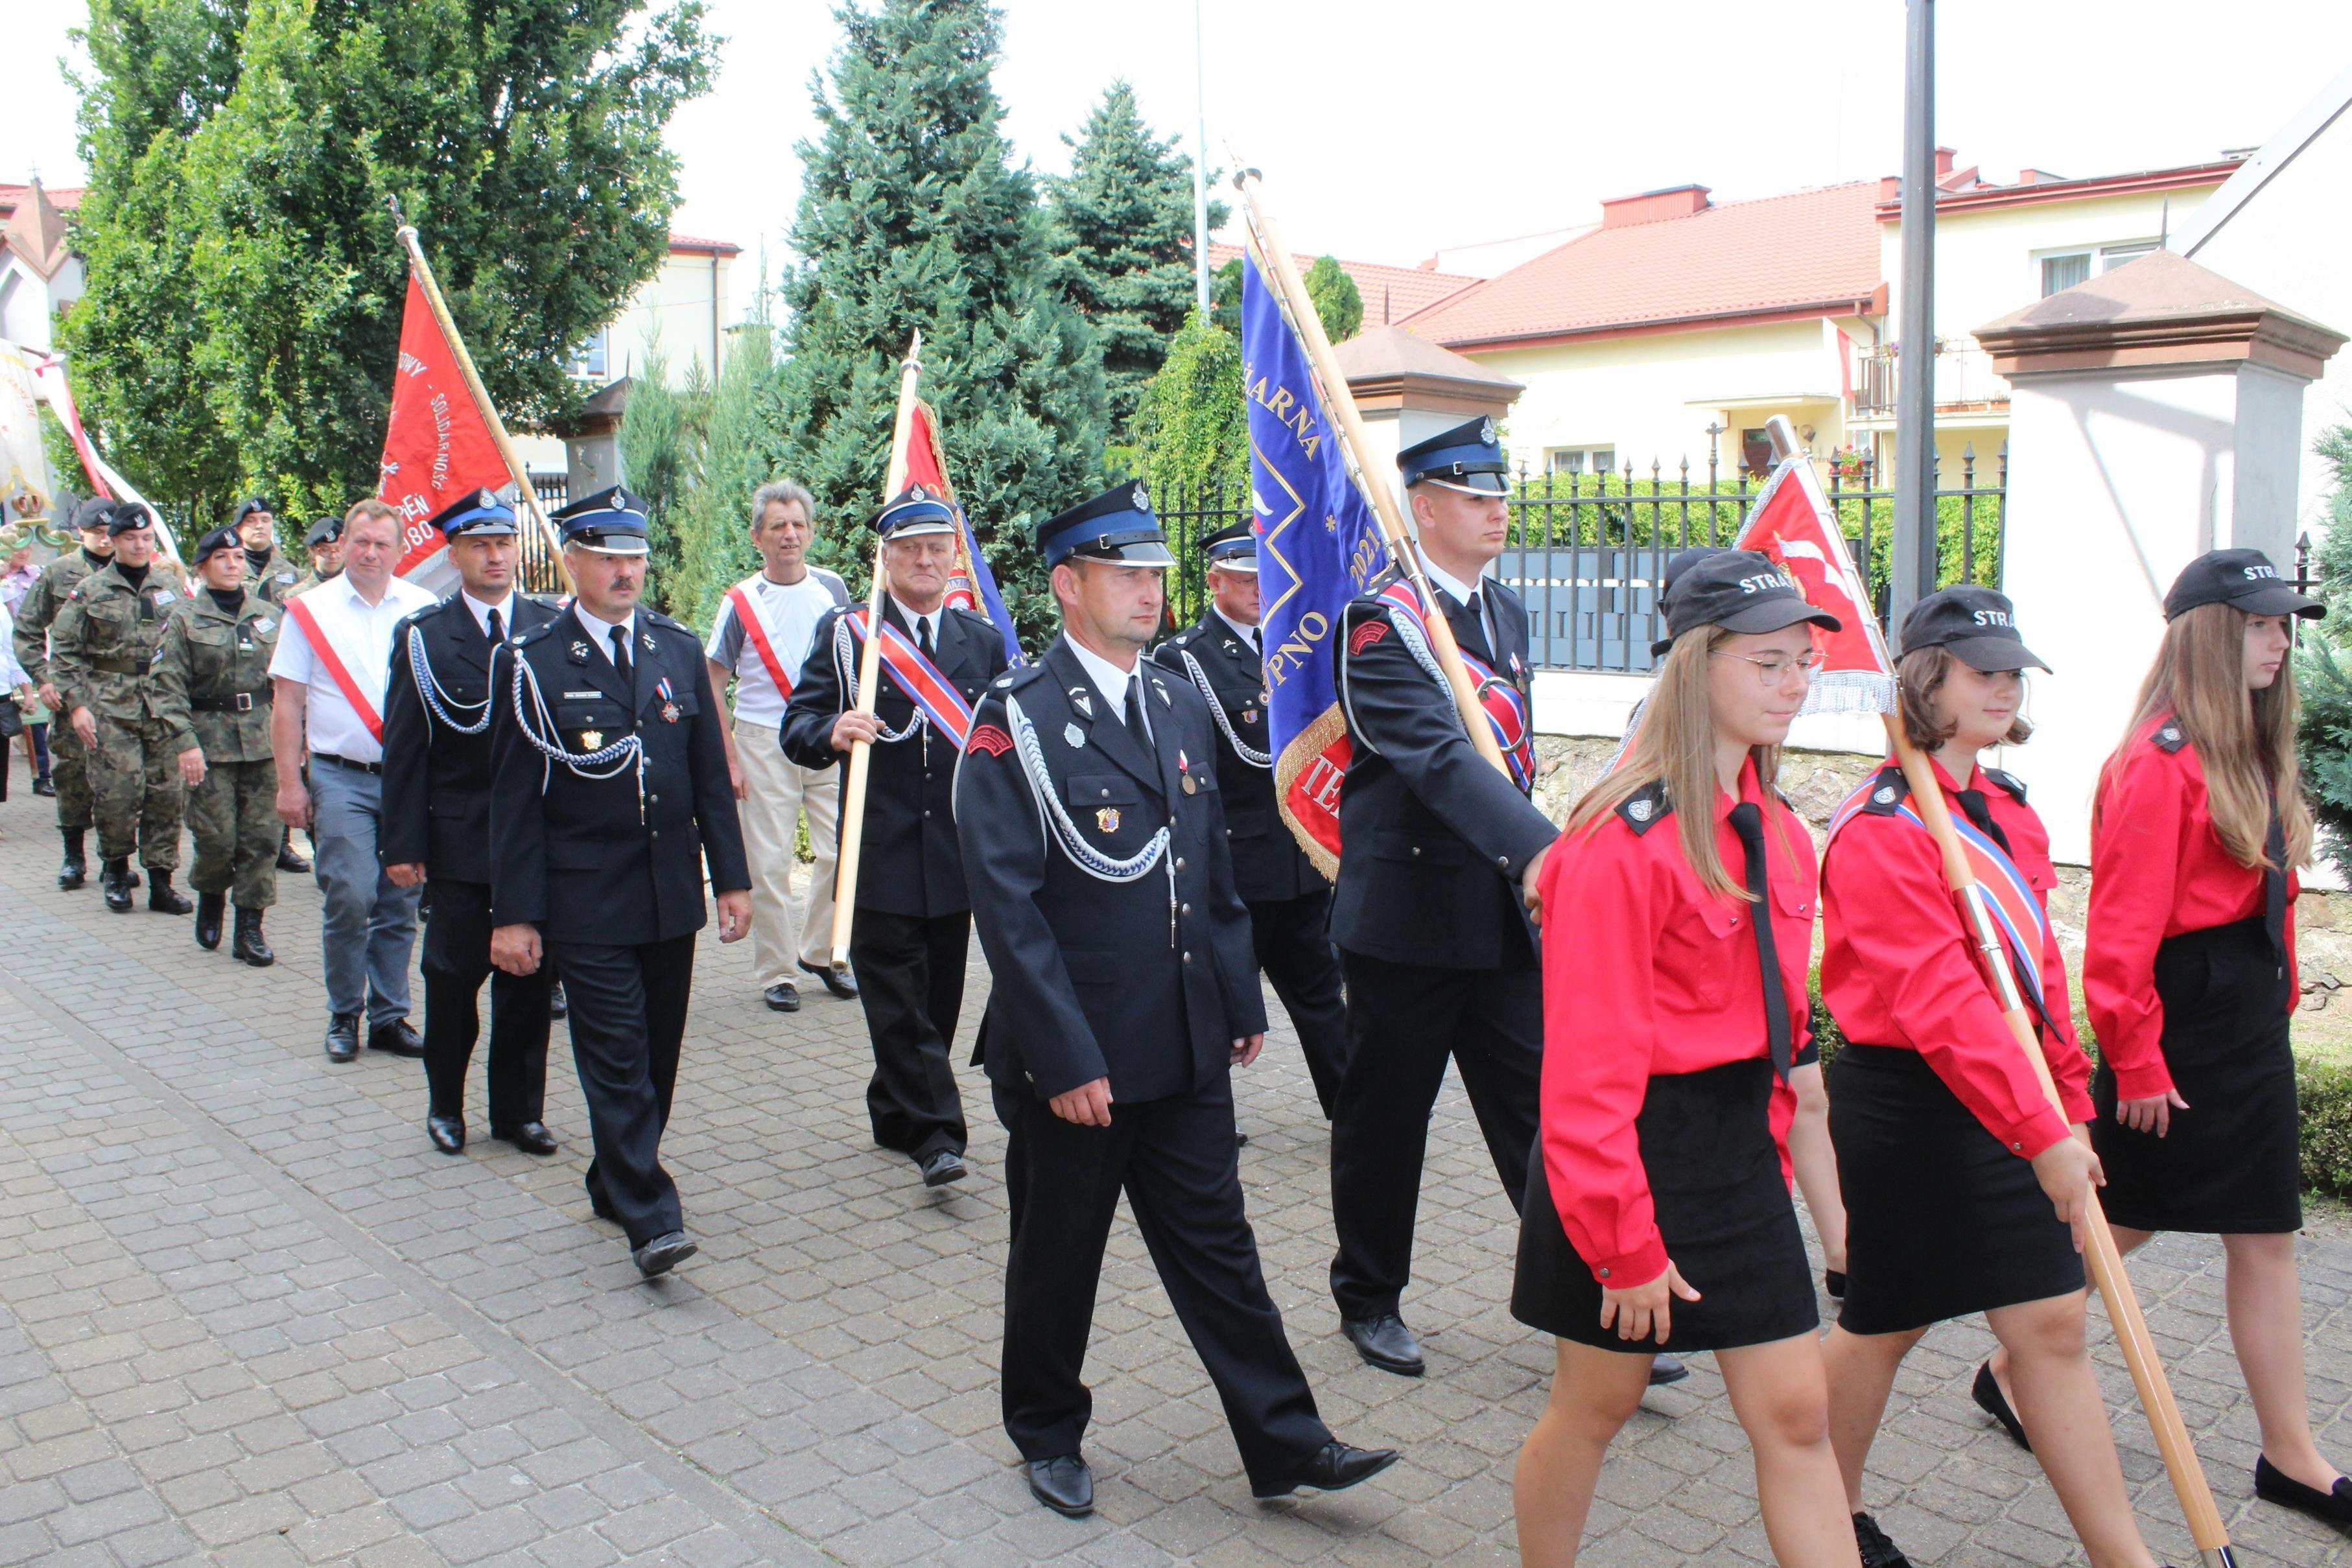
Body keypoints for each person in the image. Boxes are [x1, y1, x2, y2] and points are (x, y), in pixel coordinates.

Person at [956, 480, 1397, 1519]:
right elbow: (1008, 911)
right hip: (1079, 1060)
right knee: (1058, 1255)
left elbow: (1210, 861)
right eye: (1127, 571)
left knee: (1222, 1252)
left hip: (1187, 1037)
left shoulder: (1176, 694)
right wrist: (1062, 1058)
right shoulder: (1011, 720)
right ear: (1068, 585)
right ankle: (1047, 1428)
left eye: (1156, 571)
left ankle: (1289, 1440)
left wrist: (1239, 994)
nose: (1150, 588)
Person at [1511, 550, 1856, 1568]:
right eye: (1769, 662)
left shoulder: (1781, 830)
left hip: (1733, 1156)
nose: (1795, 683)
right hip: (1627, 1156)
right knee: (1598, 1401)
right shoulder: (1618, 846)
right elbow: (1585, 1076)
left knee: (1797, 1411)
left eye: (1804, 662)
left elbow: (1786, 1045)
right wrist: (1623, 1239)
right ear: (1699, 666)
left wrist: (1805, 1189)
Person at [1816, 587, 2165, 1568]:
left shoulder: (2005, 808)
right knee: (1886, 1320)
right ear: (1926, 679)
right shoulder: (1881, 824)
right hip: (1913, 1103)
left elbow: (2038, 978)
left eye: (2013, 670)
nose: (2006, 684)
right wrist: (2042, 1128)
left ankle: (2123, 1554)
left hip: (2012, 1095)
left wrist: (2072, 1101)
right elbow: (1941, 1002)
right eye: (1983, 669)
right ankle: (1827, 1513)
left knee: (2051, 1318)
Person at [2080, 548, 2349, 1527]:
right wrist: (2138, 1057)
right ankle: (2017, 1363)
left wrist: (2267, 999)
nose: (2282, 641)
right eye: (2263, 624)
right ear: (2209, 634)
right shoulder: (2158, 762)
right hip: (2178, 1018)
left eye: (2285, 624)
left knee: (2267, 1230)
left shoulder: (2246, 745)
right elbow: (2119, 937)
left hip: (2241, 1012)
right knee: (2128, 1220)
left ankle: (2292, 1453)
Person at [1324, 416, 1583, 1381]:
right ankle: (1370, 1293)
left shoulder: (1504, 611)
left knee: (1543, 1109)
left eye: (1500, 494)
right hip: (1410, 921)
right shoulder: (1381, 622)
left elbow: (1507, 759)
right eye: (1476, 496)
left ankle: (1589, 1295)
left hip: (1502, 915)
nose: (1498, 510)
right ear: (1425, 508)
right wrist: (1548, 852)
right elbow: (1435, 757)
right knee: (1388, 1118)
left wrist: (1532, 858)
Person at [487, 485, 750, 1278]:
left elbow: (710, 775)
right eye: (608, 557)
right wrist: (515, 916)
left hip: (670, 891)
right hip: (586, 896)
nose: (625, 570)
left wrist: (731, 880)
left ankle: (613, 1175)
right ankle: (650, 1215)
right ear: (573, 563)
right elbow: (513, 805)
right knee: (616, 1054)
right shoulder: (531, 662)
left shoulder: (673, 648)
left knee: (659, 1057)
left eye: (635, 555)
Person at [784, 483, 1007, 1187]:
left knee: (935, 1005)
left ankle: (892, 1107)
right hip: (875, 853)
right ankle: (939, 1135)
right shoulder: (849, 636)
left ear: (953, 558)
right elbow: (798, 725)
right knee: (900, 1002)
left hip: (952, 857)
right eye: (909, 549)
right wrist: (831, 728)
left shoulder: (982, 640)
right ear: (885, 559)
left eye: (936, 548)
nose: (924, 560)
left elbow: (1005, 741)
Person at [381, 489, 561, 1158]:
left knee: (530, 984)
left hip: (536, 844)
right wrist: (401, 842)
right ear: (454, 553)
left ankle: (518, 1113)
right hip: (461, 842)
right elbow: (405, 748)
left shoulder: (549, 627)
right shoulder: (425, 638)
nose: (495, 555)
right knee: (453, 984)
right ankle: (445, 1105)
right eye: (480, 544)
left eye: (505, 542)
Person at [1151, 522, 1348, 1118]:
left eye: (1265, 575)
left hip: (1299, 858)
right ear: (1214, 582)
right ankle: (1204, 1113)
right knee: (1214, 995)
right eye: (1244, 578)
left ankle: (1354, 1109)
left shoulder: (1299, 645)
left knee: (1321, 994)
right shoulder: (1183, 657)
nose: (1260, 587)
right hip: (1234, 863)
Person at [270, 498, 437, 1062]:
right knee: (349, 892)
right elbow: (287, 703)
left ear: (399, 549)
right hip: (341, 776)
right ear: (342, 544)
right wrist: (289, 784)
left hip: (409, 778)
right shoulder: (308, 611)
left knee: (400, 898)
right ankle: (345, 1011)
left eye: (381, 544)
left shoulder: (424, 607)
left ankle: (391, 1015)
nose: (369, 553)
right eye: (360, 542)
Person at [707, 480, 853, 1012]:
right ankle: (777, 970)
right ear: (757, 537)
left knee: (840, 851)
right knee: (768, 862)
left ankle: (821, 952)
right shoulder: (741, 602)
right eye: (777, 526)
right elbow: (712, 679)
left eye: (797, 524)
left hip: (823, 734)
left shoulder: (834, 588)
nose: (789, 535)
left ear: (811, 532)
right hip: (762, 741)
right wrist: (727, 756)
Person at [48, 502, 194, 916]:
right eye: (130, 539)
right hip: (109, 705)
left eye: (146, 538)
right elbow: (65, 651)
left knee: (166, 796)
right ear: (113, 541)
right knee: (118, 795)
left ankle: (162, 882)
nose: (139, 545)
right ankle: (115, 872)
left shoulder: (168, 586)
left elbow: (187, 648)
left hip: (161, 705)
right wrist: (77, 705)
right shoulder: (91, 590)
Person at [150, 526, 282, 965]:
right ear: (203, 566)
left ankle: (250, 927)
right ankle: (210, 893)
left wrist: (295, 740)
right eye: (222, 557)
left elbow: (288, 681)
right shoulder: (185, 619)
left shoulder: (269, 614)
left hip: (264, 741)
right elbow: (166, 686)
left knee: (262, 838)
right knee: (217, 839)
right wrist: (185, 743)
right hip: (210, 744)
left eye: (239, 556)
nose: (232, 564)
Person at [14, 500, 116, 886]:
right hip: (71, 690)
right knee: (72, 776)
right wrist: (44, 678)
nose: (106, 540)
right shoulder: (58, 574)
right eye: (98, 532)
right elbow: (26, 631)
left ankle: (115, 860)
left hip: (121, 693)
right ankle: (74, 856)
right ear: (81, 533)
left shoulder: (135, 574)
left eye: (112, 532)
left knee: (120, 781)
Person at [234, 498, 303, 605]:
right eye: (251, 520)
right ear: (238, 527)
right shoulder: (228, 571)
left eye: (265, 520)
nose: (259, 526)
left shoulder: (294, 574)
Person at [287, 515, 344, 598]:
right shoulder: (298, 596)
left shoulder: (358, 590)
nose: (333, 556)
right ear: (313, 550)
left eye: (339, 549)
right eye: (325, 550)